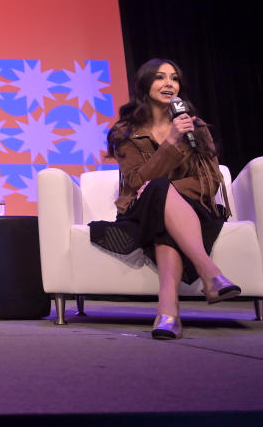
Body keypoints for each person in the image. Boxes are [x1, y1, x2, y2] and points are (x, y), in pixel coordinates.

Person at [89, 58, 240, 339]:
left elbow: (210, 180)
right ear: (145, 87)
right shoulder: (126, 132)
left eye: (174, 78)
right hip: (139, 211)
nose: (169, 83)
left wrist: (168, 192)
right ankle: (209, 273)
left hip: (193, 210)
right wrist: (170, 142)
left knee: (162, 198)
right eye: (160, 77)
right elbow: (136, 182)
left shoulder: (195, 128)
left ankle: (168, 311)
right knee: (157, 190)